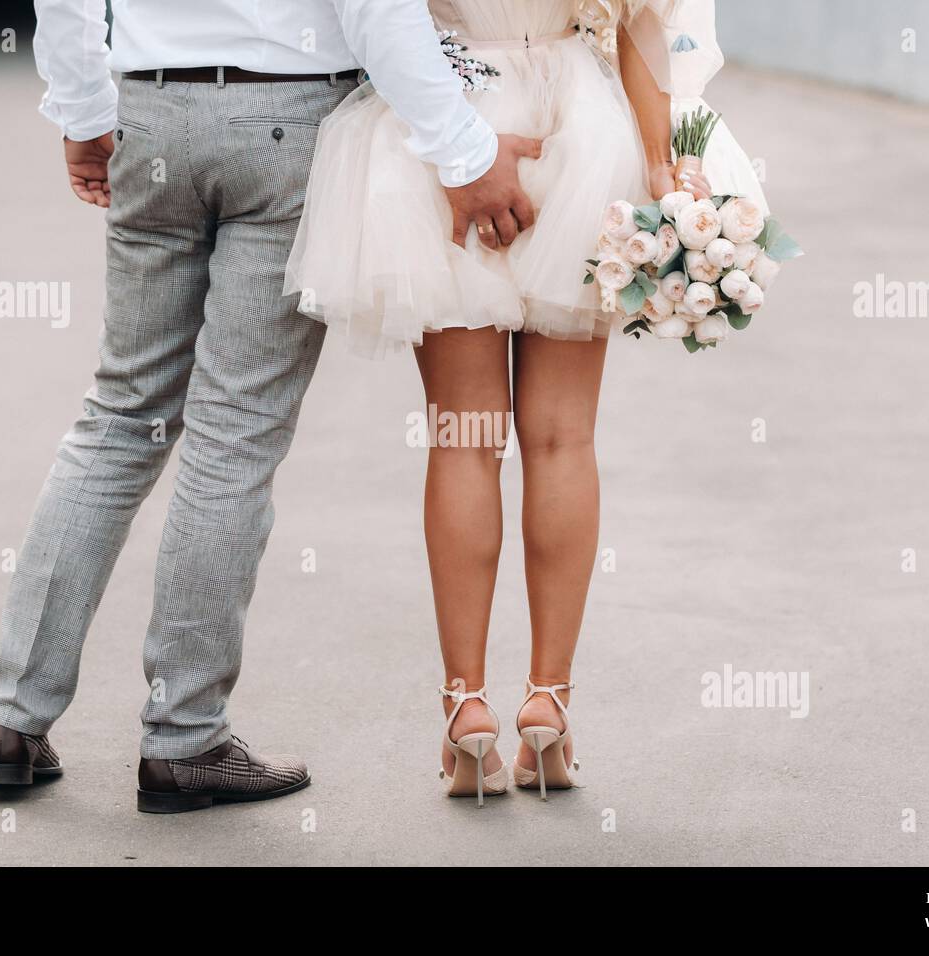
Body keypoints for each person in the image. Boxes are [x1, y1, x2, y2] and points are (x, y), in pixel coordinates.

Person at [0, 0, 540, 814]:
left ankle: (11, 722)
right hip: (287, 120)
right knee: (233, 436)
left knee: (120, 416)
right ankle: (184, 738)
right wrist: (464, 150)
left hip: (152, 111)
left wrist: (84, 107)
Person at [285, 0, 764, 802]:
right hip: (581, 131)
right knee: (562, 439)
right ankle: (549, 704)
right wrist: (657, 165)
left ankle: (465, 709)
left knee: (464, 438)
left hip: (455, 126)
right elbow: (641, 26)